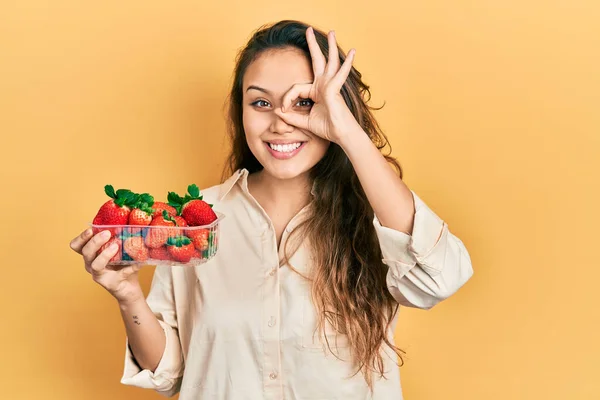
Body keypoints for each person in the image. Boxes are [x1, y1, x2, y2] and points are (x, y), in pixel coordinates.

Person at [69, 20, 473, 400]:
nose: (280, 122)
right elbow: (170, 373)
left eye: (304, 102)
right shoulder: (196, 220)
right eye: (261, 102)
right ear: (240, 112)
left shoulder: (379, 217)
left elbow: (438, 279)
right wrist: (126, 295)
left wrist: (347, 131)